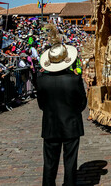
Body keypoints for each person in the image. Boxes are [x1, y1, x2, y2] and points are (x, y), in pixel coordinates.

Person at [37, 25, 87, 186]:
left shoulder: (41, 79)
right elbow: (82, 103)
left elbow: (41, 104)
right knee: (70, 161)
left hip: (51, 125)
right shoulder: (74, 79)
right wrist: (71, 112)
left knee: (49, 162)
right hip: (71, 124)